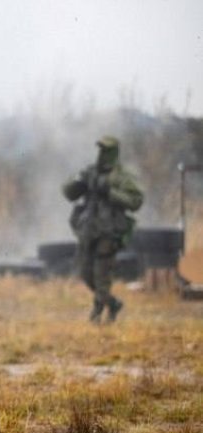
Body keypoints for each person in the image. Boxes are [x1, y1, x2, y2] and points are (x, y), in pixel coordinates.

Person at [63, 136, 144, 323]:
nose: (101, 154)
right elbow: (68, 192)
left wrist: (110, 191)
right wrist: (78, 183)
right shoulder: (91, 172)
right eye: (100, 149)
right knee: (85, 273)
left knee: (102, 275)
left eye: (106, 150)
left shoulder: (122, 176)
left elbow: (136, 201)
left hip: (109, 232)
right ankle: (113, 303)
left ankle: (98, 311)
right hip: (88, 230)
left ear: (114, 152)